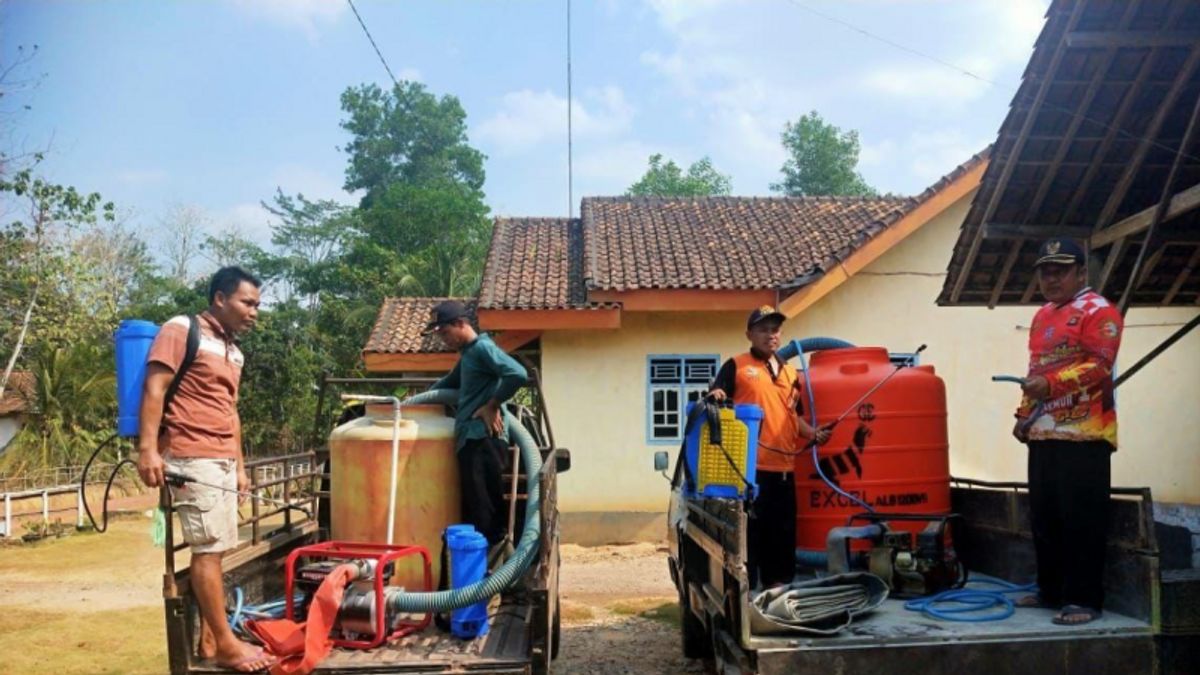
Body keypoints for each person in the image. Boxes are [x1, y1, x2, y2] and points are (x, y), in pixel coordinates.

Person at [135, 266, 270, 673]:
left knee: (220, 545)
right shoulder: (181, 329)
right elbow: (154, 387)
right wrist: (148, 450)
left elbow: (231, 412)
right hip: (191, 456)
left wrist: (241, 466)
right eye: (248, 303)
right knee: (208, 550)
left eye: (257, 305)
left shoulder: (235, 350)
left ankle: (211, 638)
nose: (254, 312)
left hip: (223, 459)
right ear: (220, 298)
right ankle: (227, 647)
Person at [1012, 238, 1122, 626]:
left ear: (1081, 271)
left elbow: (1100, 365)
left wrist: (1052, 386)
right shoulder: (1042, 315)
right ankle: (1050, 590)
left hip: (1085, 432)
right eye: (1045, 270)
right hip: (1044, 430)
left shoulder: (1101, 311)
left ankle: (1084, 599)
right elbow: (1035, 369)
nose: (1051, 277)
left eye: (1061, 269)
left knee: (1081, 518)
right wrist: (1023, 414)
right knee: (1045, 517)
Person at [708, 306, 832, 589]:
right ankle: (747, 591)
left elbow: (793, 415)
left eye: (775, 329)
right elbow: (719, 394)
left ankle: (778, 589)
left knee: (783, 533)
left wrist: (813, 433)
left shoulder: (790, 373)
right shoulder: (736, 366)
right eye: (763, 329)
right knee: (752, 534)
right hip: (751, 469)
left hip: (785, 469)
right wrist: (717, 393)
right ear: (749, 334)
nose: (770, 335)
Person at [425, 300, 528, 548]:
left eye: (445, 333)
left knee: (485, 511)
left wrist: (492, 405)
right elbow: (449, 383)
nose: (443, 340)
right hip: (470, 441)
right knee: (474, 509)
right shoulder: (469, 354)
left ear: (460, 324)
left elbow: (517, 373)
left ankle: (490, 573)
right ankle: (476, 572)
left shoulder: (483, 348)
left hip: (482, 440)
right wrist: (413, 402)